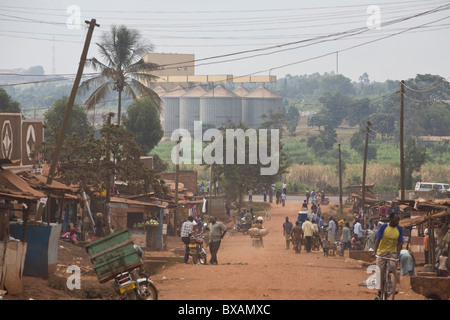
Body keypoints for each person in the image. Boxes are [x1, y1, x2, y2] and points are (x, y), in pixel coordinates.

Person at [373, 212, 403, 300]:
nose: (398, 221)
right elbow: (377, 240)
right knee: (380, 270)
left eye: (398, 220)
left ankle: (393, 286)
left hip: (392, 252)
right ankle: (379, 291)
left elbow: (400, 243)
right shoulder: (383, 227)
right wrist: (375, 252)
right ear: (390, 219)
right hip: (382, 251)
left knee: (393, 266)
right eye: (396, 219)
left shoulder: (399, 229)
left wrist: (397, 254)